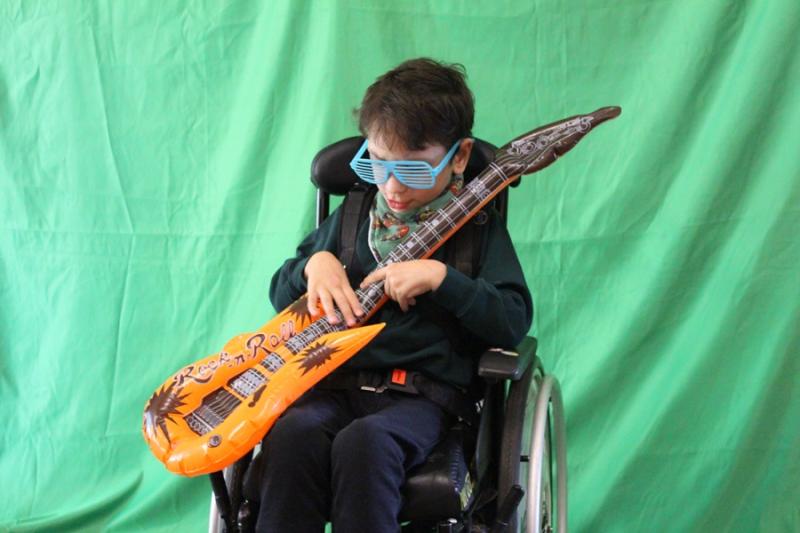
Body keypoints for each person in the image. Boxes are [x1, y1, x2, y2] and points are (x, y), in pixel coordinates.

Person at [256, 58, 533, 532]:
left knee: (365, 443)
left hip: (420, 400)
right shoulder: (352, 216)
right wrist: (313, 266)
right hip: (332, 385)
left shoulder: (477, 232)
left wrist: (444, 280)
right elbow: (282, 295)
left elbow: (512, 319)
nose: (393, 185)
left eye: (414, 170)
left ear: (460, 157)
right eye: (378, 164)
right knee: (292, 433)